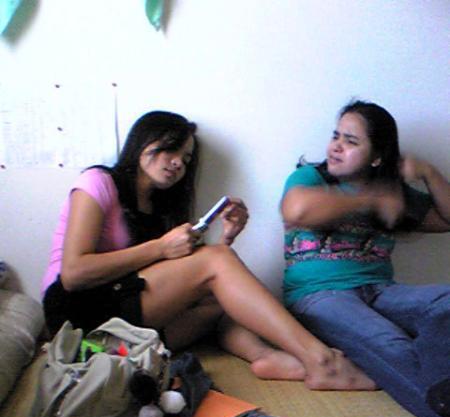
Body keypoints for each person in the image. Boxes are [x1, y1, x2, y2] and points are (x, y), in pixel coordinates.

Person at [42, 110, 374, 390]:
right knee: (216, 264)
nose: (177, 163)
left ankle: (267, 357)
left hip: (130, 327)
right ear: (143, 141)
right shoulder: (98, 182)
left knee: (225, 292)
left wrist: (226, 239)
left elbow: (190, 280)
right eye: (170, 150)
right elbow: (73, 275)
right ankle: (321, 360)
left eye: (186, 159)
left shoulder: (162, 205)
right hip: (79, 317)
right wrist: (162, 247)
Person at [280, 99, 450, 417]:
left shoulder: (395, 193)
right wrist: (371, 199)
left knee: (445, 303)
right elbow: (296, 210)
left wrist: (429, 173)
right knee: (393, 345)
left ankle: (438, 382)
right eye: (336, 136)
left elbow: (447, 219)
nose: (336, 146)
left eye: (351, 141)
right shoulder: (310, 177)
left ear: (377, 157)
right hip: (320, 295)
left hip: (382, 291)